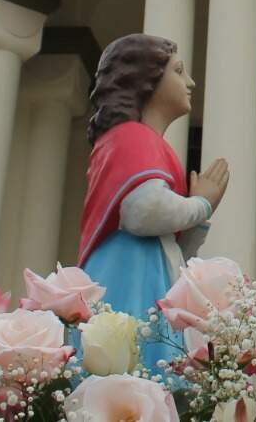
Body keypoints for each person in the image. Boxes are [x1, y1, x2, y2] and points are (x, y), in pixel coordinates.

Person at [78, 33, 229, 371]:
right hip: (129, 271)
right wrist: (201, 204)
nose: (189, 82)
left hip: (148, 269)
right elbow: (143, 212)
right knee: (128, 366)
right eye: (179, 71)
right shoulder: (132, 137)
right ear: (147, 78)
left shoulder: (143, 141)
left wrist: (198, 220)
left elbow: (171, 247)